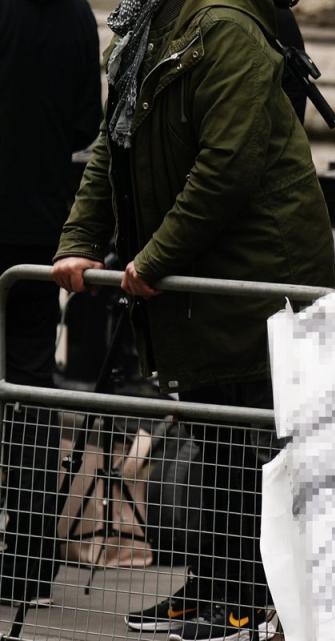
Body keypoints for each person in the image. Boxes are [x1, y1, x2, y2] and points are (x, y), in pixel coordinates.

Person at [51, 0, 335, 639]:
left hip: (260, 273)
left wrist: (154, 257)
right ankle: (212, 584)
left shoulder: (223, 27)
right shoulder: (148, 29)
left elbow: (227, 165)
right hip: (205, 276)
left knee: (253, 444)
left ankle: (249, 594)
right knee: (213, 437)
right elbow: (112, 150)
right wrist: (80, 237)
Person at [0, 0, 101, 605]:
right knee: (32, 390)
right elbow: (86, 124)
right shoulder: (75, 14)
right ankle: (31, 565)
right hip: (41, 227)